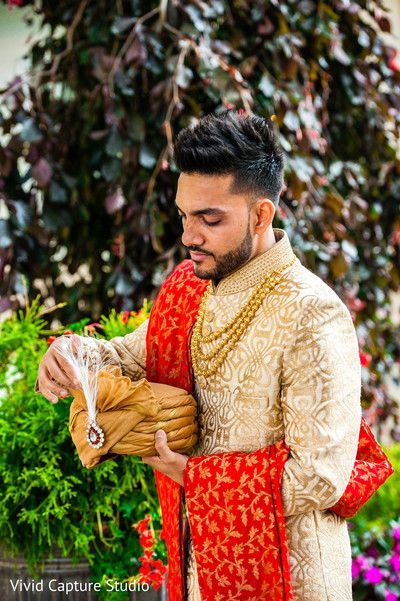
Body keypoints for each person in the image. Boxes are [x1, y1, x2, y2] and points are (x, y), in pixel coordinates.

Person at [36, 110, 362, 601]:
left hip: (291, 579)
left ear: (261, 216)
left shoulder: (312, 314)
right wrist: (70, 355)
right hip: (194, 570)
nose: (190, 236)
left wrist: (197, 478)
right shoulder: (188, 289)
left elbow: (321, 476)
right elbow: (124, 357)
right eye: (185, 215)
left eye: (211, 219)